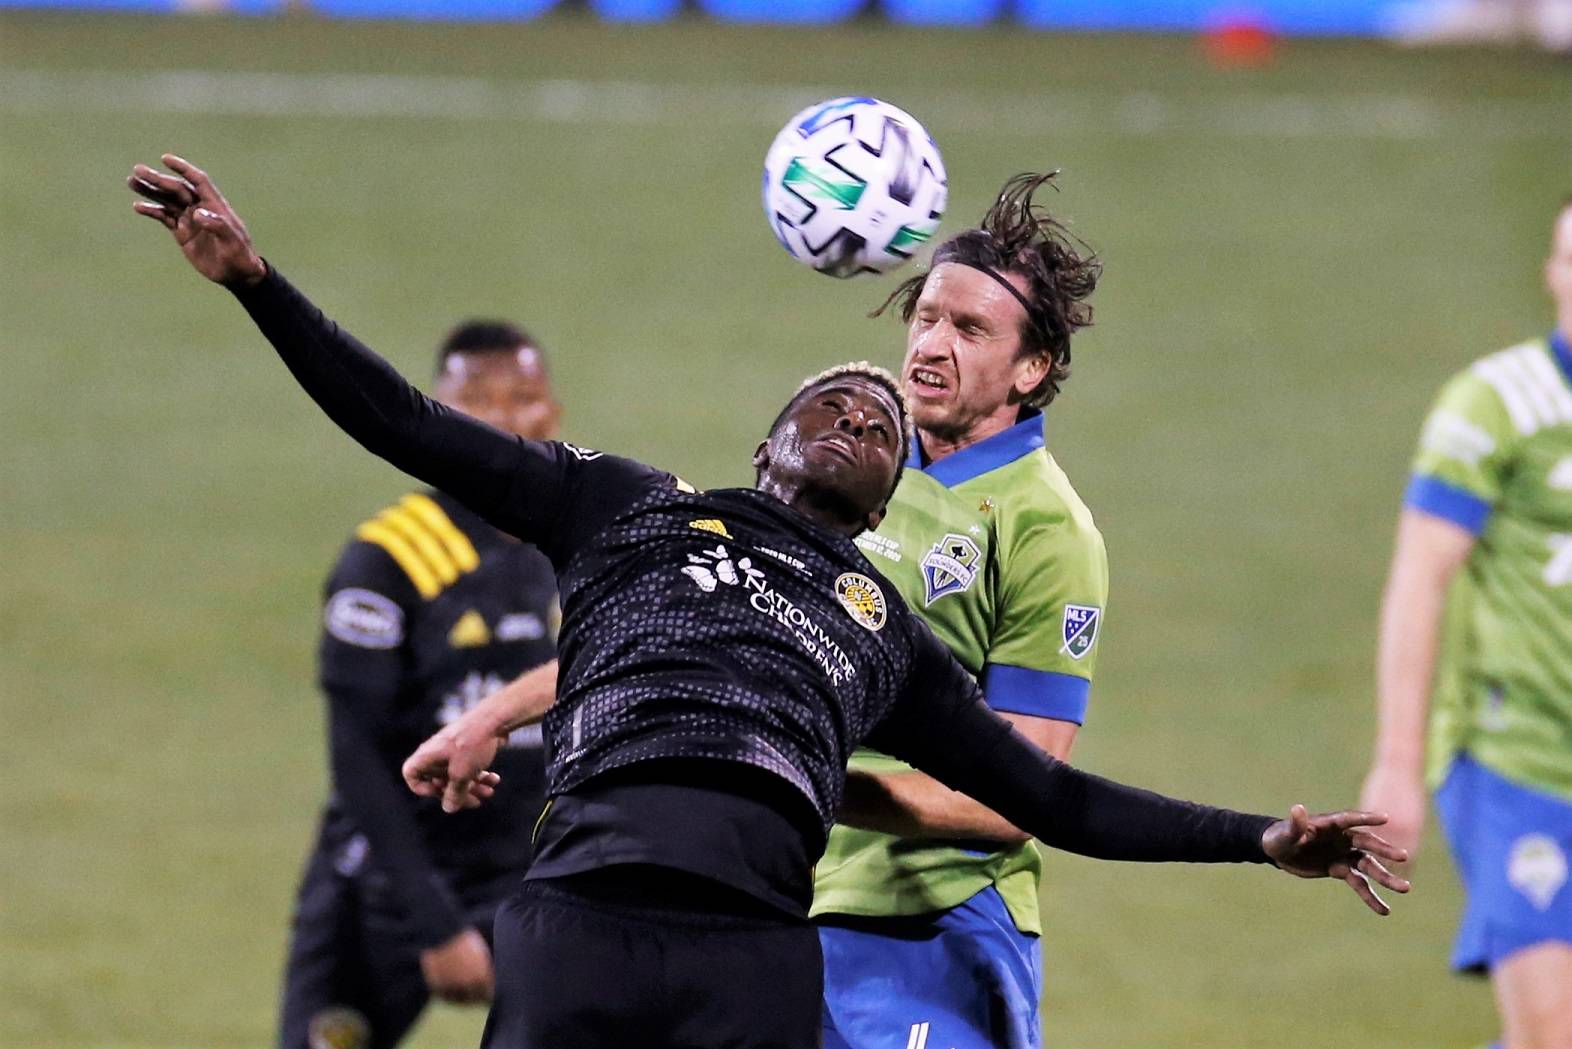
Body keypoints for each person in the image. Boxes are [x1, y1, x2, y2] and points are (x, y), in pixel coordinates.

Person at [130, 153, 1409, 1049]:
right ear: (762, 446)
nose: (889, 376)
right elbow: (409, 425)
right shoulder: (637, 507)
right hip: (585, 917)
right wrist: (254, 281)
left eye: (897, 402)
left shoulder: (889, 621)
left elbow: (1049, 796)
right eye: (855, 376)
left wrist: (1258, 838)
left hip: (786, 942)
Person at [810, 172, 1104, 1049]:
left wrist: (816, 782)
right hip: (783, 895)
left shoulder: (1048, 529)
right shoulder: (846, 459)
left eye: (970, 329)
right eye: (926, 316)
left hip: (931, 924)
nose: (932, 345)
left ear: (1032, 367)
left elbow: (1022, 793)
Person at [277, 321, 562, 1049]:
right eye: (480, 399)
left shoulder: (568, 547)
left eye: (523, 397)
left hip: (530, 886)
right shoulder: (389, 558)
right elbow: (356, 757)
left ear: (553, 412)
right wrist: (435, 924)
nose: (504, 418)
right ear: (440, 412)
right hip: (388, 888)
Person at [1360, 198, 1572, 1049]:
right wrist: (1398, 766)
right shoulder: (1497, 406)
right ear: (1555, 275)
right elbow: (1420, 579)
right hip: (1514, 757)